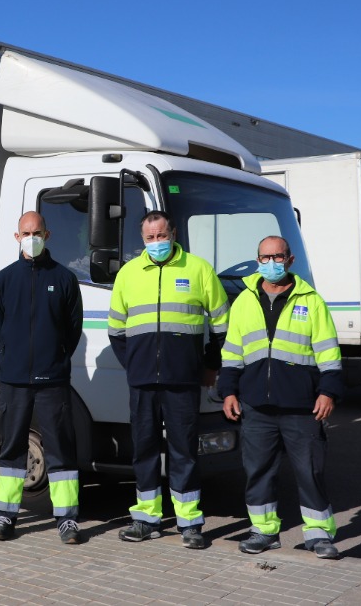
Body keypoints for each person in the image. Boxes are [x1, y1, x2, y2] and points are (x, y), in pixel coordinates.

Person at [108, 210, 228, 548]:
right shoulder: (129, 273)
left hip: (183, 380)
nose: (157, 242)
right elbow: (116, 330)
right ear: (142, 239)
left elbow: (222, 325)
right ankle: (146, 519)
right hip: (143, 381)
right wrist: (133, 366)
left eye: (162, 235)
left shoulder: (198, 269)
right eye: (150, 238)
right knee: (143, 449)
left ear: (173, 233)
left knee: (184, 450)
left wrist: (210, 365)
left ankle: (190, 523)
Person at [218, 235, 342, 559]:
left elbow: (329, 352)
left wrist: (328, 391)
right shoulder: (244, 300)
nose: (271, 263)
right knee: (258, 471)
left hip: (302, 406)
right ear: (257, 259)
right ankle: (264, 531)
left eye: (277, 257)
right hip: (256, 405)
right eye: (265, 257)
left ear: (290, 260)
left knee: (310, 471)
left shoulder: (311, 300)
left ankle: (319, 535)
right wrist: (228, 391)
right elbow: (232, 352)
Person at [0, 211, 84, 544]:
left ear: (48, 234)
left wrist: (55, 357)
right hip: (14, 380)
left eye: (37, 231)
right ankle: (3, 515)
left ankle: (67, 519)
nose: (32, 237)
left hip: (52, 380)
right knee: (12, 448)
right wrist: (14, 354)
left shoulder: (65, 279)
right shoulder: (3, 280)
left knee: (60, 449)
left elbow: (73, 331)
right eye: (26, 232)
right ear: (17, 237)